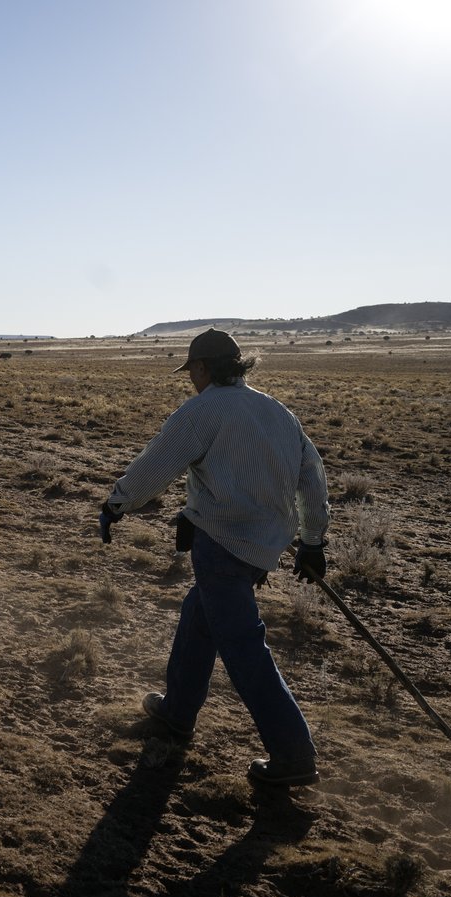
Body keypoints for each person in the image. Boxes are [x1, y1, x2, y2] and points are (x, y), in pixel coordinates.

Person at [99, 328, 330, 787]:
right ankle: (177, 712)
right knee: (199, 614)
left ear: (203, 368)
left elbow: (158, 463)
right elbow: (312, 475)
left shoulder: (203, 409)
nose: (191, 380)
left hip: (223, 543)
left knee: (243, 646)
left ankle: (292, 753)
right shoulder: (276, 411)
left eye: (192, 371)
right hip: (262, 546)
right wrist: (312, 541)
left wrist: (117, 503)